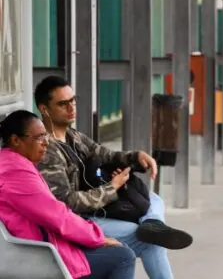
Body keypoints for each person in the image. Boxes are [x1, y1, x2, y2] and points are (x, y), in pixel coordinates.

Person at [34, 76, 193, 279]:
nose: (71, 107)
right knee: (150, 241)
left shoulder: (73, 136)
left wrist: (136, 157)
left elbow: (105, 154)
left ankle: (153, 224)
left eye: (73, 100)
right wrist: (112, 188)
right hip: (81, 220)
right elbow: (66, 203)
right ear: (45, 109)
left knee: (154, 200)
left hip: (100, 207)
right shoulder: (47, 151)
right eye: (63, 103)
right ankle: (151, 227)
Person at [0, 110, 136, 279]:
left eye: (46, 136)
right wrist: (97, 237)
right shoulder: (15, 172)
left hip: (42, 245)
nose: (46, 143)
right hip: (40, 255)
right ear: (15, 140)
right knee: (123, 257)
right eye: (39, 137)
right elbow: (56, 216)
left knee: (118, 248)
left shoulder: (12, 163)